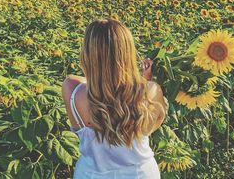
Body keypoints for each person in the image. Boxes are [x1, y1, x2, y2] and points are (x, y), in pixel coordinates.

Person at [61, 17, 167, 179]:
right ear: (128, 51)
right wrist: (143, 80)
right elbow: (151, 127)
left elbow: (86, 81)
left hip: (92, 174)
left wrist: (102, 73)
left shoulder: (71, 90)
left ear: (87, 53)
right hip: (141, 174)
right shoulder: (150, 90)